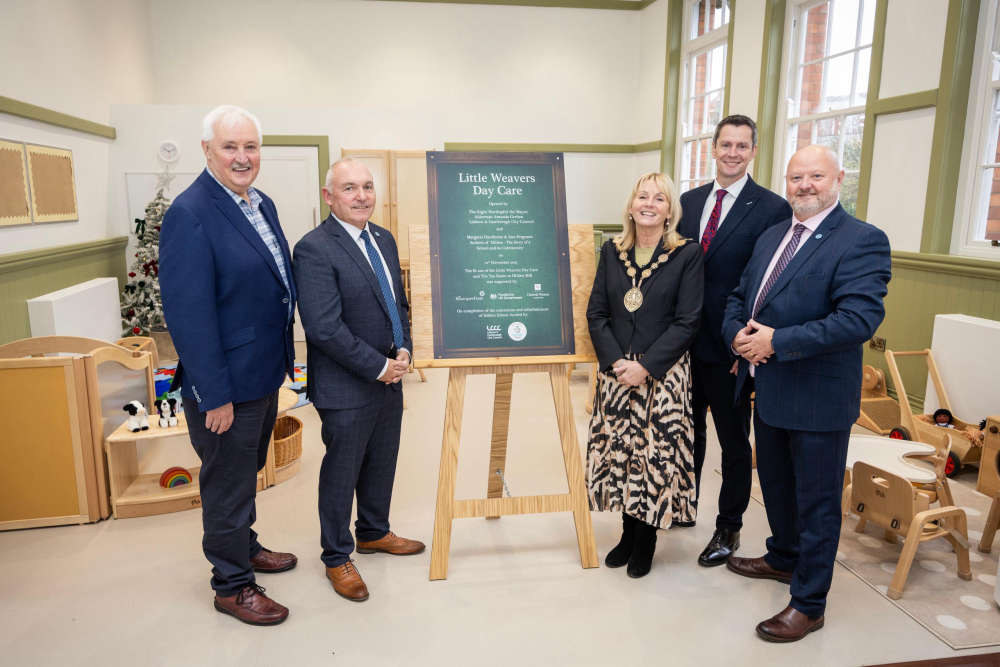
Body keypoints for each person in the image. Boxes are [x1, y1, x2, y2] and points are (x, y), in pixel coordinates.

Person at [722, 145, 891, 642]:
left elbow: (857, 320)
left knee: (817, 504)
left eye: (816, 176)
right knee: (775, 487)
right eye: (796, 177)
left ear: (839, 178)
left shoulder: (862, 240)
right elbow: (740, 296)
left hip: (818, 398)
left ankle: (809, 603)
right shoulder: (773, 234)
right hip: (769, 389)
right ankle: (783, 557)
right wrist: (736, 336)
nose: (805, 185)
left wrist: (777, 341)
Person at [159, 105, 298, 626]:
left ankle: (245, 544)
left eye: (250, 147)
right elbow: (188, 315)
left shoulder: (260, 203)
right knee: (226, 484)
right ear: (206, 151)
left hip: (261, 372)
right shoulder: (191, 212)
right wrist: (213, 394)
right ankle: (232, 585)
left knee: (247, 472)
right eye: (230, 147)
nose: (242, 157)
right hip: (226, 386)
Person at [293, 158, 424, 603]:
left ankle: (373, 531)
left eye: (367, 186)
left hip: (390, 376)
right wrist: (378, 366)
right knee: (342, 471)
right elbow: (324, 328)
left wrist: (404, 348)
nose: (362, 195)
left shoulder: (383, 238)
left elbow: (397, 304)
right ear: (329, 197)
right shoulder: (314, 248)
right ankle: (336, 556)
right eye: (349, 188)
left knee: (382, 461)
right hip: (346, 385)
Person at [677, 115, 792, 567]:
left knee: (734, 442)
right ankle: (683, 502)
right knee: (686, 431)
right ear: (713, 148)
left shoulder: (772, 208)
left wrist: (743, 344)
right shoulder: (689, 202)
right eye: (726, 144)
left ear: (753, 152)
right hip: (682, 344)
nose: (733, 153)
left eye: (742, 146)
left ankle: (729, 527)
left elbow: (771, 280)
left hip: (730, 347)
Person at [586, 172, 704, 578]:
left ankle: (646, 538)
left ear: (670, 211)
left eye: (659, 198)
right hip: (617, 372)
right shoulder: (612, 251)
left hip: (663, 373)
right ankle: (626, 532)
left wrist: (647, 366)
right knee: (621, 453)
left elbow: (688, 321)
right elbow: (597, 312)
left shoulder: (687, 254)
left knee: (653, 457)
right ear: (631, 206)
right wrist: (616, 362)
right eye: (642, 196)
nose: (649, 204)